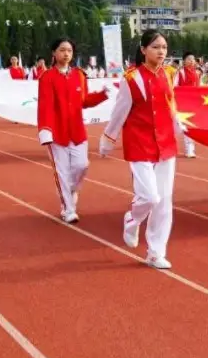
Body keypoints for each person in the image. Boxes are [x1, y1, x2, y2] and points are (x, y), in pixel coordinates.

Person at [100, 31, 180, 270]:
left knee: (164, 201)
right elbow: (120, 111)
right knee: (150, 197)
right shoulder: (132, 78)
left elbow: (172, 105)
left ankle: (155, 252)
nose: (161, 51)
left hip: (165, 143)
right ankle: (132, 219)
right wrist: (108, 138)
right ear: (143, 50)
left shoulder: (170, 74)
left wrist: (182, 127)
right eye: (155, 47)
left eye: (164, 47)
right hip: (140, 143)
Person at [37, 36, 112, 223]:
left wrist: (103, 94)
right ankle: (67, 209)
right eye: (62, 50)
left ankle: (71, 190)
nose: (66, 54)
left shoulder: (79, 75)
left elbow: (84, 101)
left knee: (82, 165)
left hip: (77, 130)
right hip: (57, 132)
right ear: (54, 53)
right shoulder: (47, 77)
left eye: (69, 51)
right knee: (61, 171)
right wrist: (45, 129)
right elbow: (45, 105)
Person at [172, 52, 201, 158]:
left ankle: (190, 150)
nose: (192, 61)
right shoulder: (180, 73)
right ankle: (169, 147)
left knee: (190, 127)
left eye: (193, 59)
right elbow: (174, 87)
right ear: (184, 61)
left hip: (193, 104)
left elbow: (199, 88)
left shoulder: (197, 73)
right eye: (189, 59)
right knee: (177, 127)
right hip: (181, 104)